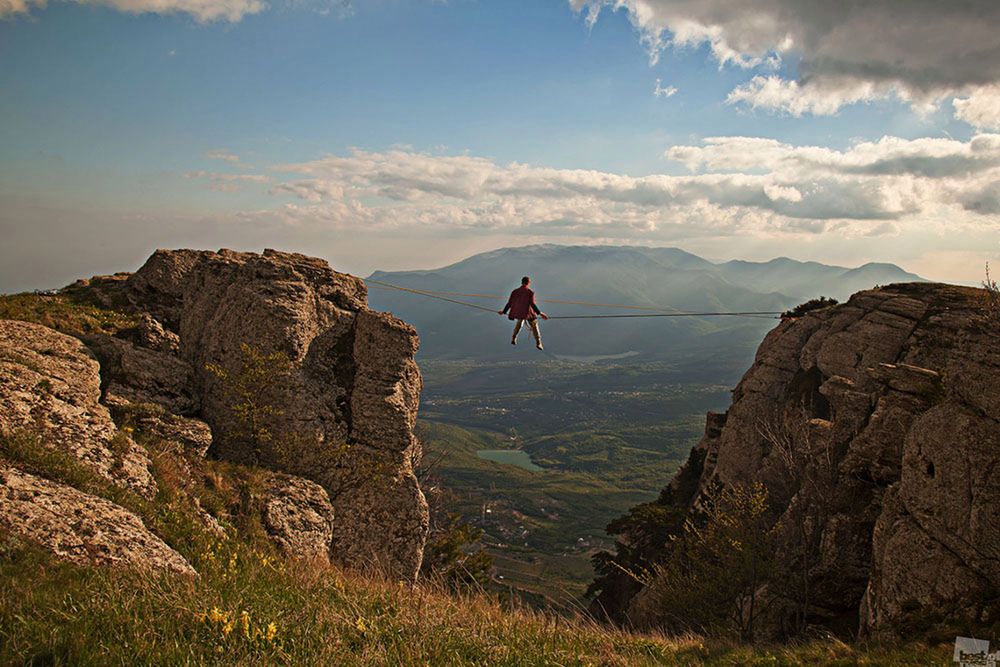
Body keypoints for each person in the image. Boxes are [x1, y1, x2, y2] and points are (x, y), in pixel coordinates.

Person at [499, 276, 548, 350]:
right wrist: (540, 313)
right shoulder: (530, 292)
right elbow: (532, 304)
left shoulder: (515, 291)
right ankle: (538, 342)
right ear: (528, 283)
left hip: (519, 312)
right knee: (534, 324)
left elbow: (509, 303)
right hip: (528, 312)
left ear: (522, 282)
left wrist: (503, 311)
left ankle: (514, 337)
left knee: (520, 321)